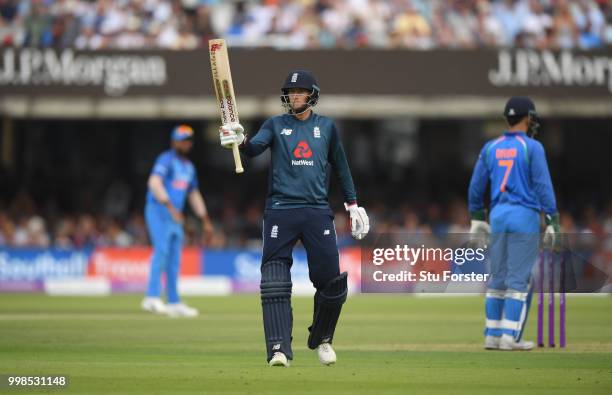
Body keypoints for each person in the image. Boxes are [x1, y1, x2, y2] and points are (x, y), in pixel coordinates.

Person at [219, 70, 369, 366]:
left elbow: (341, 166)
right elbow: (254, 149)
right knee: (274, 280)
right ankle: (278, 348)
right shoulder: (275, 124)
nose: (294, 96)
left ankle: (322, 339)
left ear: (312, 94)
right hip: (281, 210)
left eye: (300, 91)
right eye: (290, 91)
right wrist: (239, 139)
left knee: (331, 282)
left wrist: (352, 204)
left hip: (316, 211)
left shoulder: (326, 127)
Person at [468, 96, 560, 351]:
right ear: (528, 118)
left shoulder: (490, 147)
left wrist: (477, 218)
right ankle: (510, 336)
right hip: (524, 215)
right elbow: (543, 186)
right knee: (520, 279)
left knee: (497, 278)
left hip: (498, 215)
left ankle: (492, 335)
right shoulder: (532, 147)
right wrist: (553, 220)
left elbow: (476, 186)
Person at [142, 125, 214, 318]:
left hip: (176, 216)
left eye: (188, 140)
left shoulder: (189, 167)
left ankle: (173, 301)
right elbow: (154, 183)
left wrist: (205, 219)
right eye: (182, 140)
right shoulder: (166, 159)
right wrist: (170, 208)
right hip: (159, 211)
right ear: (174, 142)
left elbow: (193, 194)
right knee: (162, 251)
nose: (185, 143)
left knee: (174, 258)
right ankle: (151, 297)